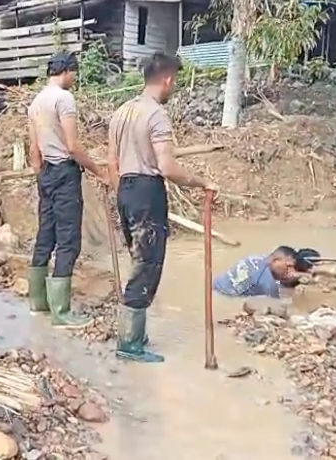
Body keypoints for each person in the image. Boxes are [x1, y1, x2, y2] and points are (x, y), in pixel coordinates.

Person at [106, 53, 216, 363]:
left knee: (139, 260)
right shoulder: (155, 115)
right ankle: (129, 345)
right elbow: (167, 167)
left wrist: (122, 195)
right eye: (175, 82)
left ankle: (134, 334)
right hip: (147, 191)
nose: (174, 87)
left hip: (125, 190)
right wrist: (200, 181)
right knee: (147, 265)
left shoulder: (122, 112)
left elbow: (112, 162)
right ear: (167, 79)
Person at [26, 51, 108, 328]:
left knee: (45, 234)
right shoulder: (64, 99)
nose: (74, 78)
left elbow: (33, 150)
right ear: (67, 71)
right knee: (68, 239)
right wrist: (99, 172)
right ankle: (62, 312)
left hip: (46, 172)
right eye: (75, 73)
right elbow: (73, 146)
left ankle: (38, 303)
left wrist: (41, 174)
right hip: (64, 171)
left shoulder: (36, 102)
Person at [213, 246, 316, 298]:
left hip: (215, 285)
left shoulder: (257, 258)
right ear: (275, 261)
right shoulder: (267, 282)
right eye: (288, 267)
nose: (290, 271)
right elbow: (278, 302)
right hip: (223, 295)